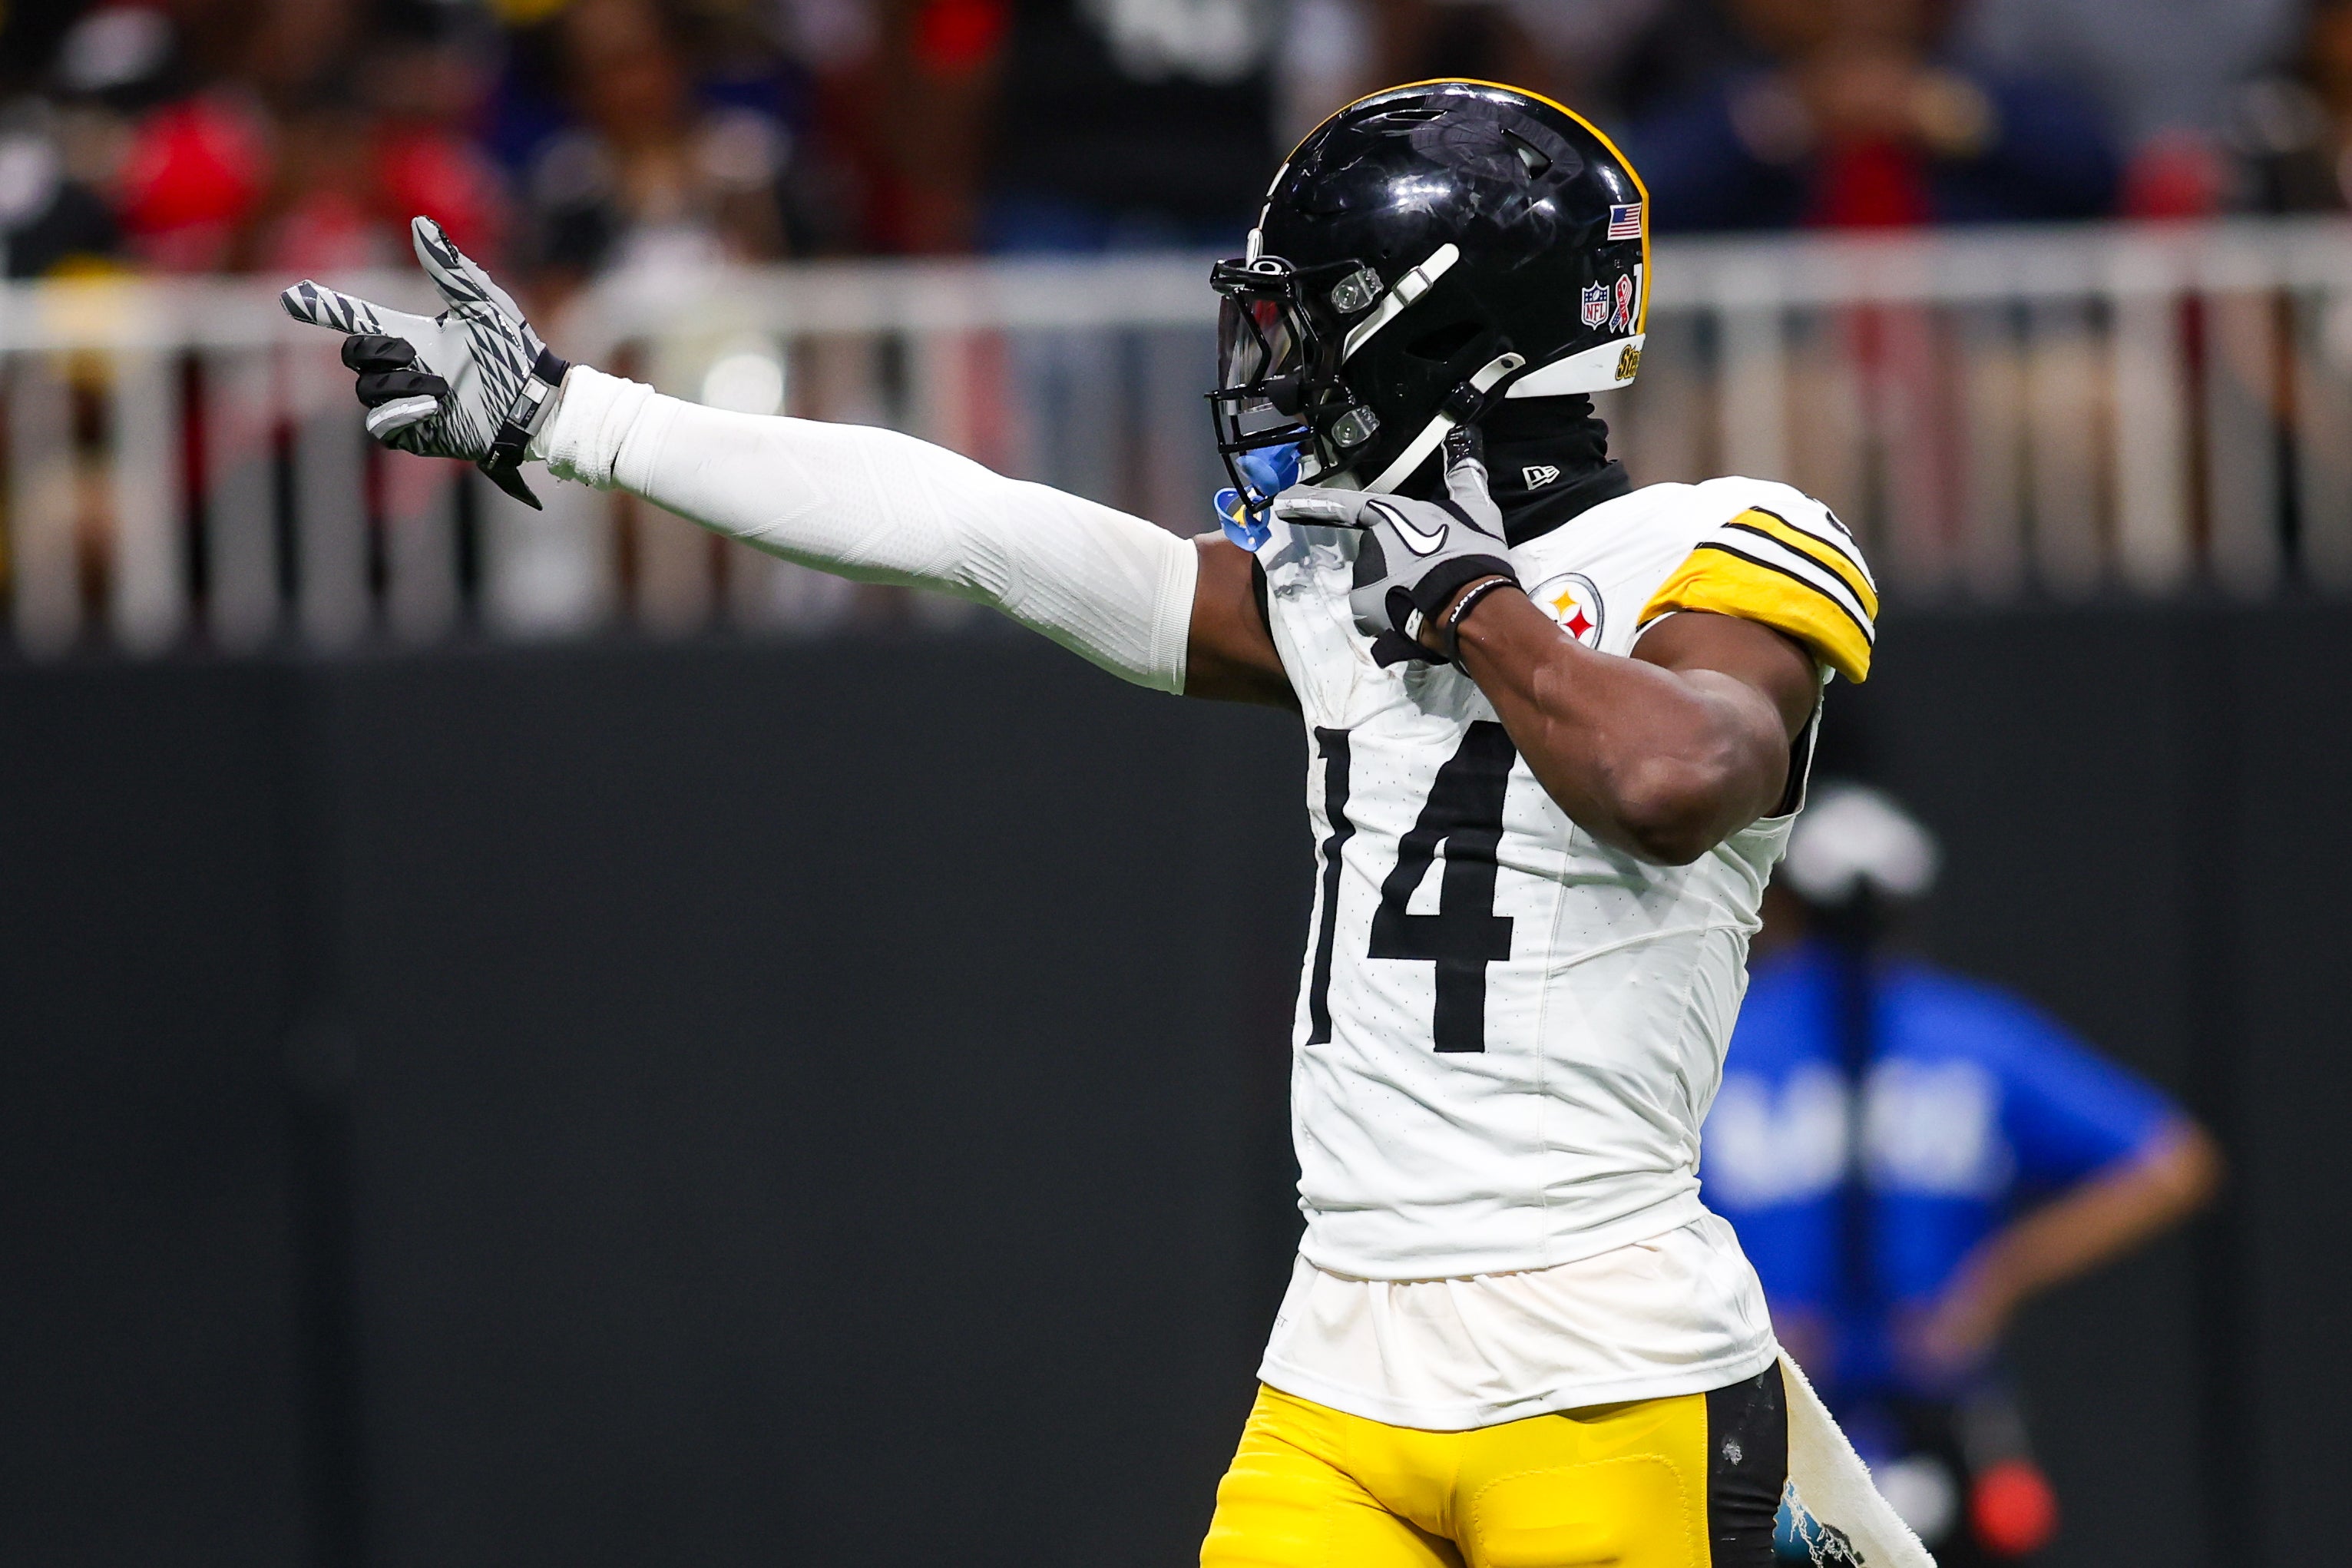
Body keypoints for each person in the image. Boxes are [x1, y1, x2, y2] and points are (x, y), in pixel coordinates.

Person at [280, 79, 1928, 1566]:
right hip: (1342, 1360)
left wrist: (1481, 608)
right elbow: (971, 528)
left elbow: (1674, 778)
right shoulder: (1332, 591)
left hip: (1607, 1363)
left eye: (1324, 325)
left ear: (1453, 341)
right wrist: (579, 417)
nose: (1284, 368)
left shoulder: (1727, 537)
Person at [1701, 783, 2221, 1564]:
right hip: (1837, 1403)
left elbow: (2174, 1163)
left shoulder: (1722, 1040)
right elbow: (2176, 1161)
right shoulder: (1973, 1034)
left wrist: (1997, 1276)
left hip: (1823, 1405)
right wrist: (1994, 1280)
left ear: (1784, 906)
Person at [1629, 0, 2117, 231]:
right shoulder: (1732, 99)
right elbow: (1637, 201)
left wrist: (1946, 115)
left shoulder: (1992, 85)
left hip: (1982, 349)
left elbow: (2098, 178)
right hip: (1787, 358)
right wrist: (1790, 116)